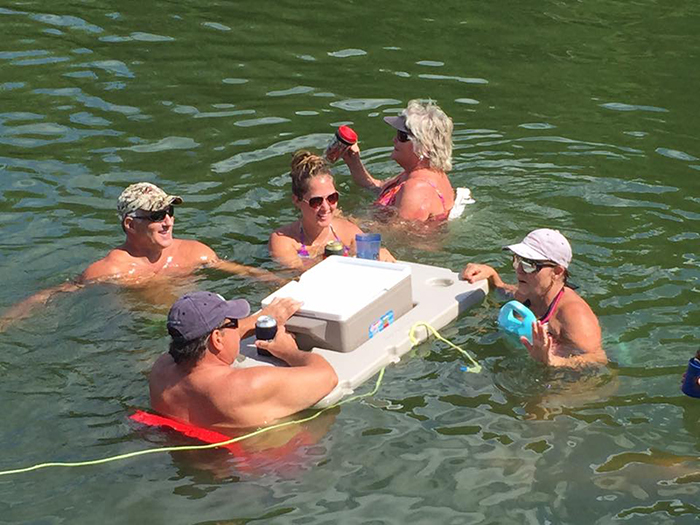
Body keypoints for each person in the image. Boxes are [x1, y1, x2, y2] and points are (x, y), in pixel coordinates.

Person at [0, 182, 280, 330]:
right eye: (156, 215)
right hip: (144, 330)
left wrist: (276, 279)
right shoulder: (111, 270)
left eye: (170, 212)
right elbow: (55, 294)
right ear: (130, 224)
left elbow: (243, 271)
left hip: (198, 329)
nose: (167, 221)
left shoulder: (195, 253)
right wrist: (8, 320)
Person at [149, 291, 338, 429]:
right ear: (217, 338)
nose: (238, 326)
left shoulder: (160, 371)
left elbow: (205, 338)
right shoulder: (245, 386)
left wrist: (262, 319)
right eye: (233, 322)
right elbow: (327, 376)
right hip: (261, 471)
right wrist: (289, 351)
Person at [461, 228, 607, 367]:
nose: (519, 271)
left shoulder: (574, 315)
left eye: (529, 265)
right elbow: (506, 291)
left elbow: (598, 359)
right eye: (517, 260)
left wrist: (554, 362)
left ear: (557, 271)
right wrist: (493, 277)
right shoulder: (531, 292)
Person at [269, 151, 395, 269]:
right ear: (297, 200)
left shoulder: (347, 231)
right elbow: (292, 276)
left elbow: (368, 253)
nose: (326, 207)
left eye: (332, 198)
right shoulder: (283, 240)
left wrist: (378, 253)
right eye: (316, 201)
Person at [341, 99, 456, 222]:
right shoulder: (419, 173)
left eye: (402, 136)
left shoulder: (417, 188)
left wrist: (342, 220)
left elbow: (396, 235)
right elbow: (376, 187)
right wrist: (353, 162)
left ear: (424, 146)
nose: (394, 140)